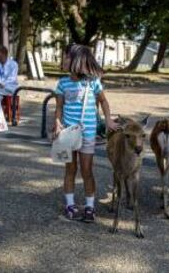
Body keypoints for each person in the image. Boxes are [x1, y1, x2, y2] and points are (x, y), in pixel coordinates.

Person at [53, 44, 118, 222]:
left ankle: (90, 207)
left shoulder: (92, 81)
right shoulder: (62, 83)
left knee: (87, 170)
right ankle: (70, 205)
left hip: (87, 133)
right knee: (70, 170)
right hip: (68, 133)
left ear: (76, 61)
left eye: (66, 57)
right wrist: (57, 124)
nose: (63, 60)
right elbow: (58, 107)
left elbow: (104, 101)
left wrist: (109, 119)